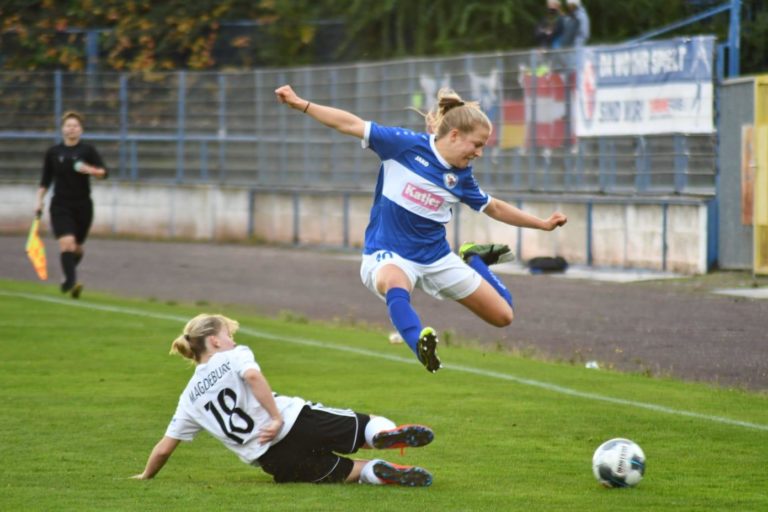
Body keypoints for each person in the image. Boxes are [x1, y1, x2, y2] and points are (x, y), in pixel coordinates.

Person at [274, 85, 567, 373]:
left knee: (504, 315)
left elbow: (495, 207)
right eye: (477, 144)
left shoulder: (461, 177)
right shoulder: (403, 145)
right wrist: (301, 104)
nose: (479, 153)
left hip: (436, 258)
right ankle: (419, 344)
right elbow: (350, 124)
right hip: (388, 253)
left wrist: (542, 224)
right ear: (455, 135)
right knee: (395, 281)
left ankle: (474, 258)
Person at [131, 313, 434, 486]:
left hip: (275, 460)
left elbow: (164, 448)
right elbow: (253, 376)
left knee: (348, 472)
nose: (232, 340)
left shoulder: (189, 398)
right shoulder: (233, 356)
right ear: (214, 340)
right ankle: (381, 435)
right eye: (228, 335)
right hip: (294, 421)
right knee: (366, 425)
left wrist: (146, 475)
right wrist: (275, 418)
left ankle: (377, 471)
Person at [34, 111, 108, 298]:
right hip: (60, 205)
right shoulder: (53, 152)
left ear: (81, 130)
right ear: (62, 129)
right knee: (67, 243)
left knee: (76, 248)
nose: (71, 129)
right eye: (68, 125)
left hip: (83, 206)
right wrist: (39, 201)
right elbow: (45, 180)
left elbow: (104, 173)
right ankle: (72, 282)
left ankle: (68, 275)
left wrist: (90, 170)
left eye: (75, 126)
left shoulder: (88, 151)